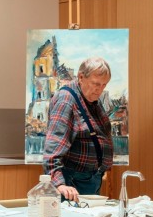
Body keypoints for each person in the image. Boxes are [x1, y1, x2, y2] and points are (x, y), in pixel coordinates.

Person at [42, 57, 114, 201]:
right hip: (71, 184)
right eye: (95, 84)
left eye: (104, 85)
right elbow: (53, 147)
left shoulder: (90, 98)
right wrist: (59, 184)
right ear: (81, 77)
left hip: (88, 179)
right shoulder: (66, 99)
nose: (99, 89)